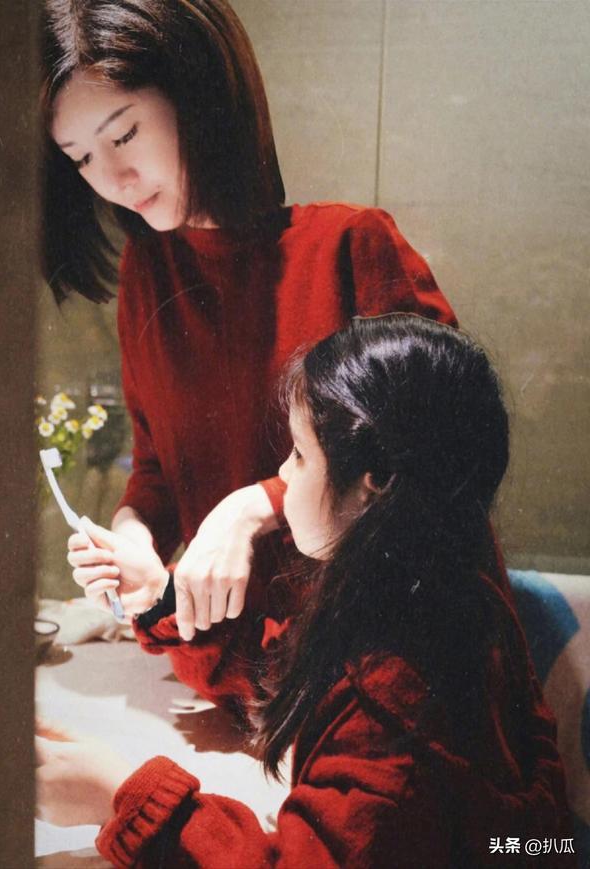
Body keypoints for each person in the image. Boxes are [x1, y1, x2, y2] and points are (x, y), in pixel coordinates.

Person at [36, 315, 573, 867]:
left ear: (373, 484)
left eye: (299, 453)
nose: (283, 473)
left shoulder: (389, 701)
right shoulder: (447, 597)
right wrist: (159, 593)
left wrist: (120, 797)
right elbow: (286, 675)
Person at [41, 0, 459, 645]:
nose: (114, 179)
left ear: (196, 94)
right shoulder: (149, 272)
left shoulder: (349, 246)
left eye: (123, 136)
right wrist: (132, 536)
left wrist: (254, 507)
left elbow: (434, 453)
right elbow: (159, 469)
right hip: (240, 658)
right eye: (81, 158)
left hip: (376, 655)